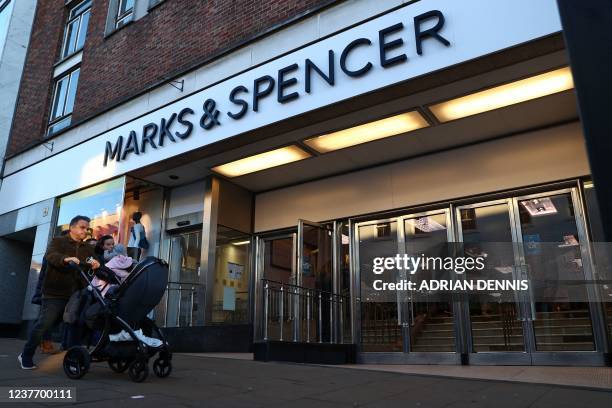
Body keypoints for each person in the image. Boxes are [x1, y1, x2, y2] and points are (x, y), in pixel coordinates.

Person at [18, 215, 100, 370]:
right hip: (54, 293)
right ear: (72, 227)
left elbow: (92, 261)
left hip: (76, 294)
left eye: (87, 228)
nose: (85, 230)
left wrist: (95, 264)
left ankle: (74, 360)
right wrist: (65, 259)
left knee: (74, 326)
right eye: (82, 227)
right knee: (44, 324)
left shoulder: (88, 248)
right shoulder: (58, 241)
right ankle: (26, 355)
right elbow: (51, 256)